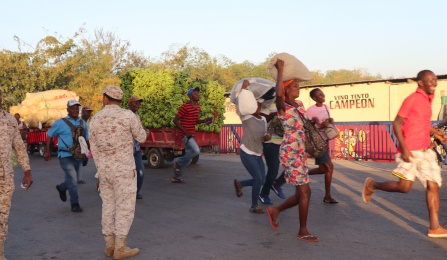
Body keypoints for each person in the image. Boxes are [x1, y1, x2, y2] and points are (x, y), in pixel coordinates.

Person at [362, 70, 447, 238]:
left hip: (425, 151)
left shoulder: (428, 99)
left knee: (433, 185)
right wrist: (405, 149)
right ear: (420, 83)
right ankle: (373, 185)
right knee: (404, 187)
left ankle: (435, 227)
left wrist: (436, 133)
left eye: (435, 80)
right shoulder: (412, 99)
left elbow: (420, 122)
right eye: (430, 81)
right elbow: (396, 122)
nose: (434, 83)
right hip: (410, 149)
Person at [89, 85, 147, 258]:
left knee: (108, 206)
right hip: (124, 170)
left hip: (104, 170)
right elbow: (142, 137)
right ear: (120, 100)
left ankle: (109, 245)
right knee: (125, 207)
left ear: (105, 98)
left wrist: (100, 168)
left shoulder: (95, 119)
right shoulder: (128, 116)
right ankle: (120, 248)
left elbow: (94, 148)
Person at [266, 59, 319, 242]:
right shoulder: (282, 107)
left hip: (300, 152)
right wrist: (281, 70)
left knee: (302, 193)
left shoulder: (300, 105)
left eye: (298, 86)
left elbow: (302, 127)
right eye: (295, 86)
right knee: (305, 192)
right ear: (286, 89)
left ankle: (275, 210)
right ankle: (302, 231)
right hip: (291, 153)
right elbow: (278, 95)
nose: (298, 89)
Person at [0, 89, 33, 259]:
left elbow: (19, 147)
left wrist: (27, 171)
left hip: (5, 177)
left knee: (3, 217)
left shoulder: (9, 120)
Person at [44, 99, 88, 213]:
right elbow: (49, 135)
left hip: (78, 155)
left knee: (75, 179)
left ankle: (62, 188)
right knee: (73, 179)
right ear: (67, 109)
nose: (75, 110)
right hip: (65, 155)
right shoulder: (60, 123)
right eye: (72, 108)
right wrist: (47, 151)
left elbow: (86, 140)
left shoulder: (83, 123)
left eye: (77, 108)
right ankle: (75, 203)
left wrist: (86, 154)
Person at [233, 80, 270, 213]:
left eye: (260, 106)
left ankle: (240, 184)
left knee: (262, 179)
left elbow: (264, 135)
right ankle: (254, 206)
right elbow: (240, 105)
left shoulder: (264, 120)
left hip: (258, 153)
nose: (258, 108)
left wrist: (266, 138)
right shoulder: (246, 117)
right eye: (256, 106)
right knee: (258, 178)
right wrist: (243, 89)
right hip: (247, 151)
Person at [172, 87, 212, 183]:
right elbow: (175, 120)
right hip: (185, 134)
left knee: (189, 159)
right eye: (195, 94)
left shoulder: (198, 107)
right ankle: (177, 161)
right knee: (196, 151)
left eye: (198, 93)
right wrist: (186, 132)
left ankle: (176, 177)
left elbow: (194, 120)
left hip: (191, 134)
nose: (197, 95)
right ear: (190, 96)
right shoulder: (185, 107)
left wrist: (203, 121)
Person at [306, 88, 338, 204]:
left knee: (322, 169)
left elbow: (327, 122)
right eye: (320, 95)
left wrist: (330, 121)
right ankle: (327, 196)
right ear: (314, 98)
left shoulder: (326, 107)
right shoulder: (309, 111)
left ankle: (303, 173)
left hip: (325, 139)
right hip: (317, 142)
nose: (323, 96)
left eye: (323, 94)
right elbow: (307, 128)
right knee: (329, 167)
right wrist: (320, 126)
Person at [258, 103, 287, 205]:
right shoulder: (267, 104)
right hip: (271, 142)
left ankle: (277, 184)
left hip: (285, 142)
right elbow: (262, 119)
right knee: (273, 171)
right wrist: (276, 113)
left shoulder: (287, 105)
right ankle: (263, 194)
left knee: (292, 166)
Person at [128, 96, 146, 200]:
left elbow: (141, 129)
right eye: (135, 103)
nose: (138, 104)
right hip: (127, 150)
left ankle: (135, 192)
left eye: (139, 103)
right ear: (129, 104)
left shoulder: (137, 117)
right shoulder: (125, 116)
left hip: (137, 150)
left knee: (140, 172)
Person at [77, 105, 93, 184]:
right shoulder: (81, 122)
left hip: (85, 145)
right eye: (87, 111)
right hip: (80, 145)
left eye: (90, 112)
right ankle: (78, 178)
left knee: (81, 161)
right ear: (82, 112)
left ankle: (78, 178)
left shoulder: (89, 122)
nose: (89, 113)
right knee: (80, 161)